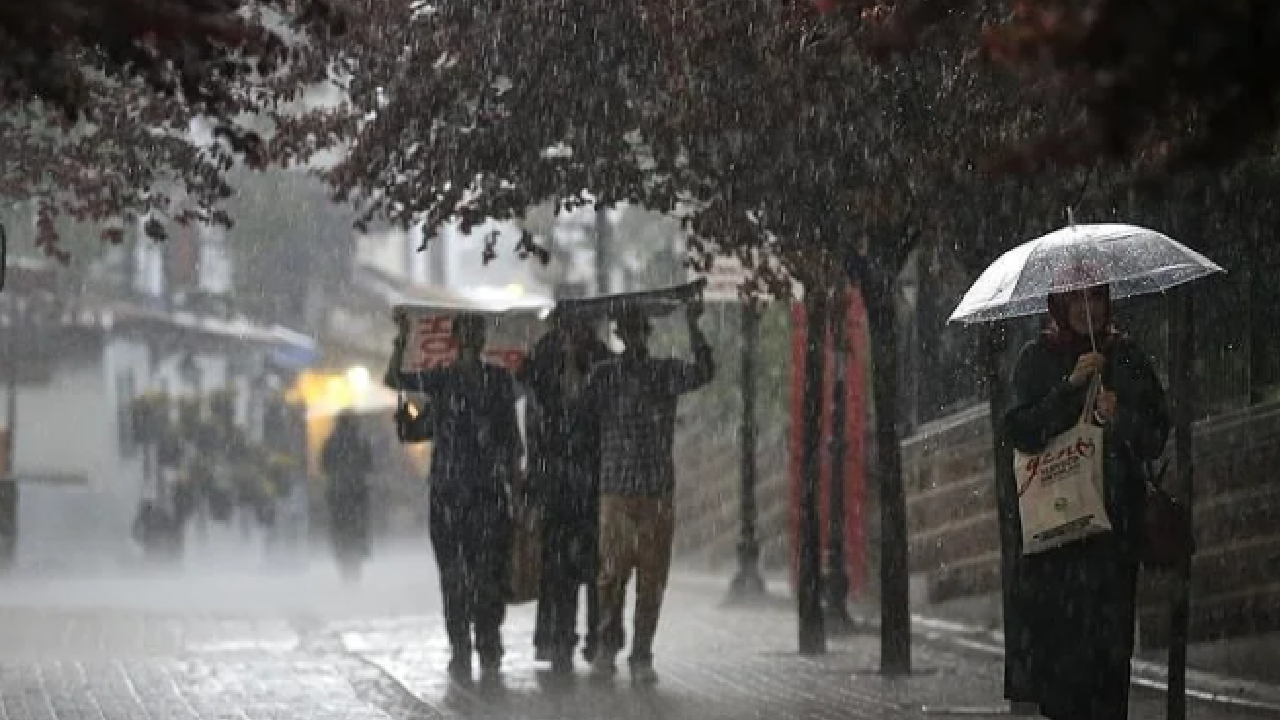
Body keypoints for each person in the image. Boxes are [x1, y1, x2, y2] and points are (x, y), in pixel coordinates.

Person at [1003, 282, 1169, 720]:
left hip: (1112, 540)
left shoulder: (1125, 356)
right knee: (1063, 677)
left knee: (1109, 672)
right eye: (1075, 298)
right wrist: (1070, 387)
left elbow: (1155, 435)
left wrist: (1121, 418)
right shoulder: (1037, 359)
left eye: (1095, 297)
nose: (1086, 308)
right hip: (1056, 543)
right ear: (1058, 303)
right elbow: (1020, 431)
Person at [384, 312, 522, 682]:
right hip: (449, 493)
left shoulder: (498, 380)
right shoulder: (441, 379)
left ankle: (488, 644)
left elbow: (511, 439)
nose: (472, 339)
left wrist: (516, 487)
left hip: (488, 492)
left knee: (489, 575)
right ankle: (461, 647)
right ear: (457, 339)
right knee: (454, 577)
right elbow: (395, 380)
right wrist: (402, 340)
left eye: (477, 333)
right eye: (466, 333)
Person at [584, 301, 714, 684]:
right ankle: (608, 645)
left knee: (651, 580)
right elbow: (578, 408)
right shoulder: (604, 376)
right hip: (617, 491)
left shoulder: (663, 373)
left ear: (646, 333)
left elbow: (704, 371)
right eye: (628, 330)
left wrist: (694, 326)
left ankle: (641, 653)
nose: (635, 336)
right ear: (621, 335)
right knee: (611, 577)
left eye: (639, 329)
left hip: (655, 492)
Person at [519, 312, 613, 672]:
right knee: (559, 567)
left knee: (593, 566)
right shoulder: (544, 360)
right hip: (557, 483)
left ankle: (596, 638)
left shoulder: (599, 360)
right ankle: (560, 639)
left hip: (590, 482)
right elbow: (534, 416)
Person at [321, 411, 374, 581]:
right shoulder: (361, 441)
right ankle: (356, 563)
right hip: (357, 492)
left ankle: (343, 563)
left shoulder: (330, 442)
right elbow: (369, 465)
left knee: (340, 529)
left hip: (337, 493)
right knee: (357, 528)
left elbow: (324, 466)